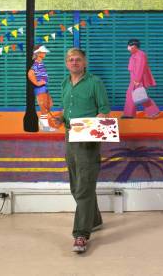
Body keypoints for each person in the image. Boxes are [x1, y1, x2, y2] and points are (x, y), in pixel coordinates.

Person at [61, 48, 110, 254]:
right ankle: (95, 219)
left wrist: (89, 127)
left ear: (85, 62)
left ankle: (81, 234)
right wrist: (57, 119)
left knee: (84, 187)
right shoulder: (65, 83)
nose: (74, 62)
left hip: (88, 140)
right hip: (69, 139)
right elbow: (66, 113)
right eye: (71, 60)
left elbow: (104, 110)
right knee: (76, 185)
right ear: (66, 63)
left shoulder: (94, 82)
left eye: (78, 59)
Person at [121, 39, 160, 119]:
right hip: (134, 79)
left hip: (137, 79)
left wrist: (137, 80)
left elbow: (140, 68)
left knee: (140, 96)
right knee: (135, 96)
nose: (128, 48)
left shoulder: (140, 55)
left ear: (134, 46)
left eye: (129, 46)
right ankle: (130, 114)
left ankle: (152, 111)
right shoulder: (134, 55)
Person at [27, 45, 56, 132]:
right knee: (44, 108)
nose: (45, 53)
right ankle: (45, 127)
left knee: (49, 105)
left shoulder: (40, 63)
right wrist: (37, 83)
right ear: (38, 53)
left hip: (44, 88)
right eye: (43, 52)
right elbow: (30, 73)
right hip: (40, 89)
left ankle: (42, 123)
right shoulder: (36, 64)